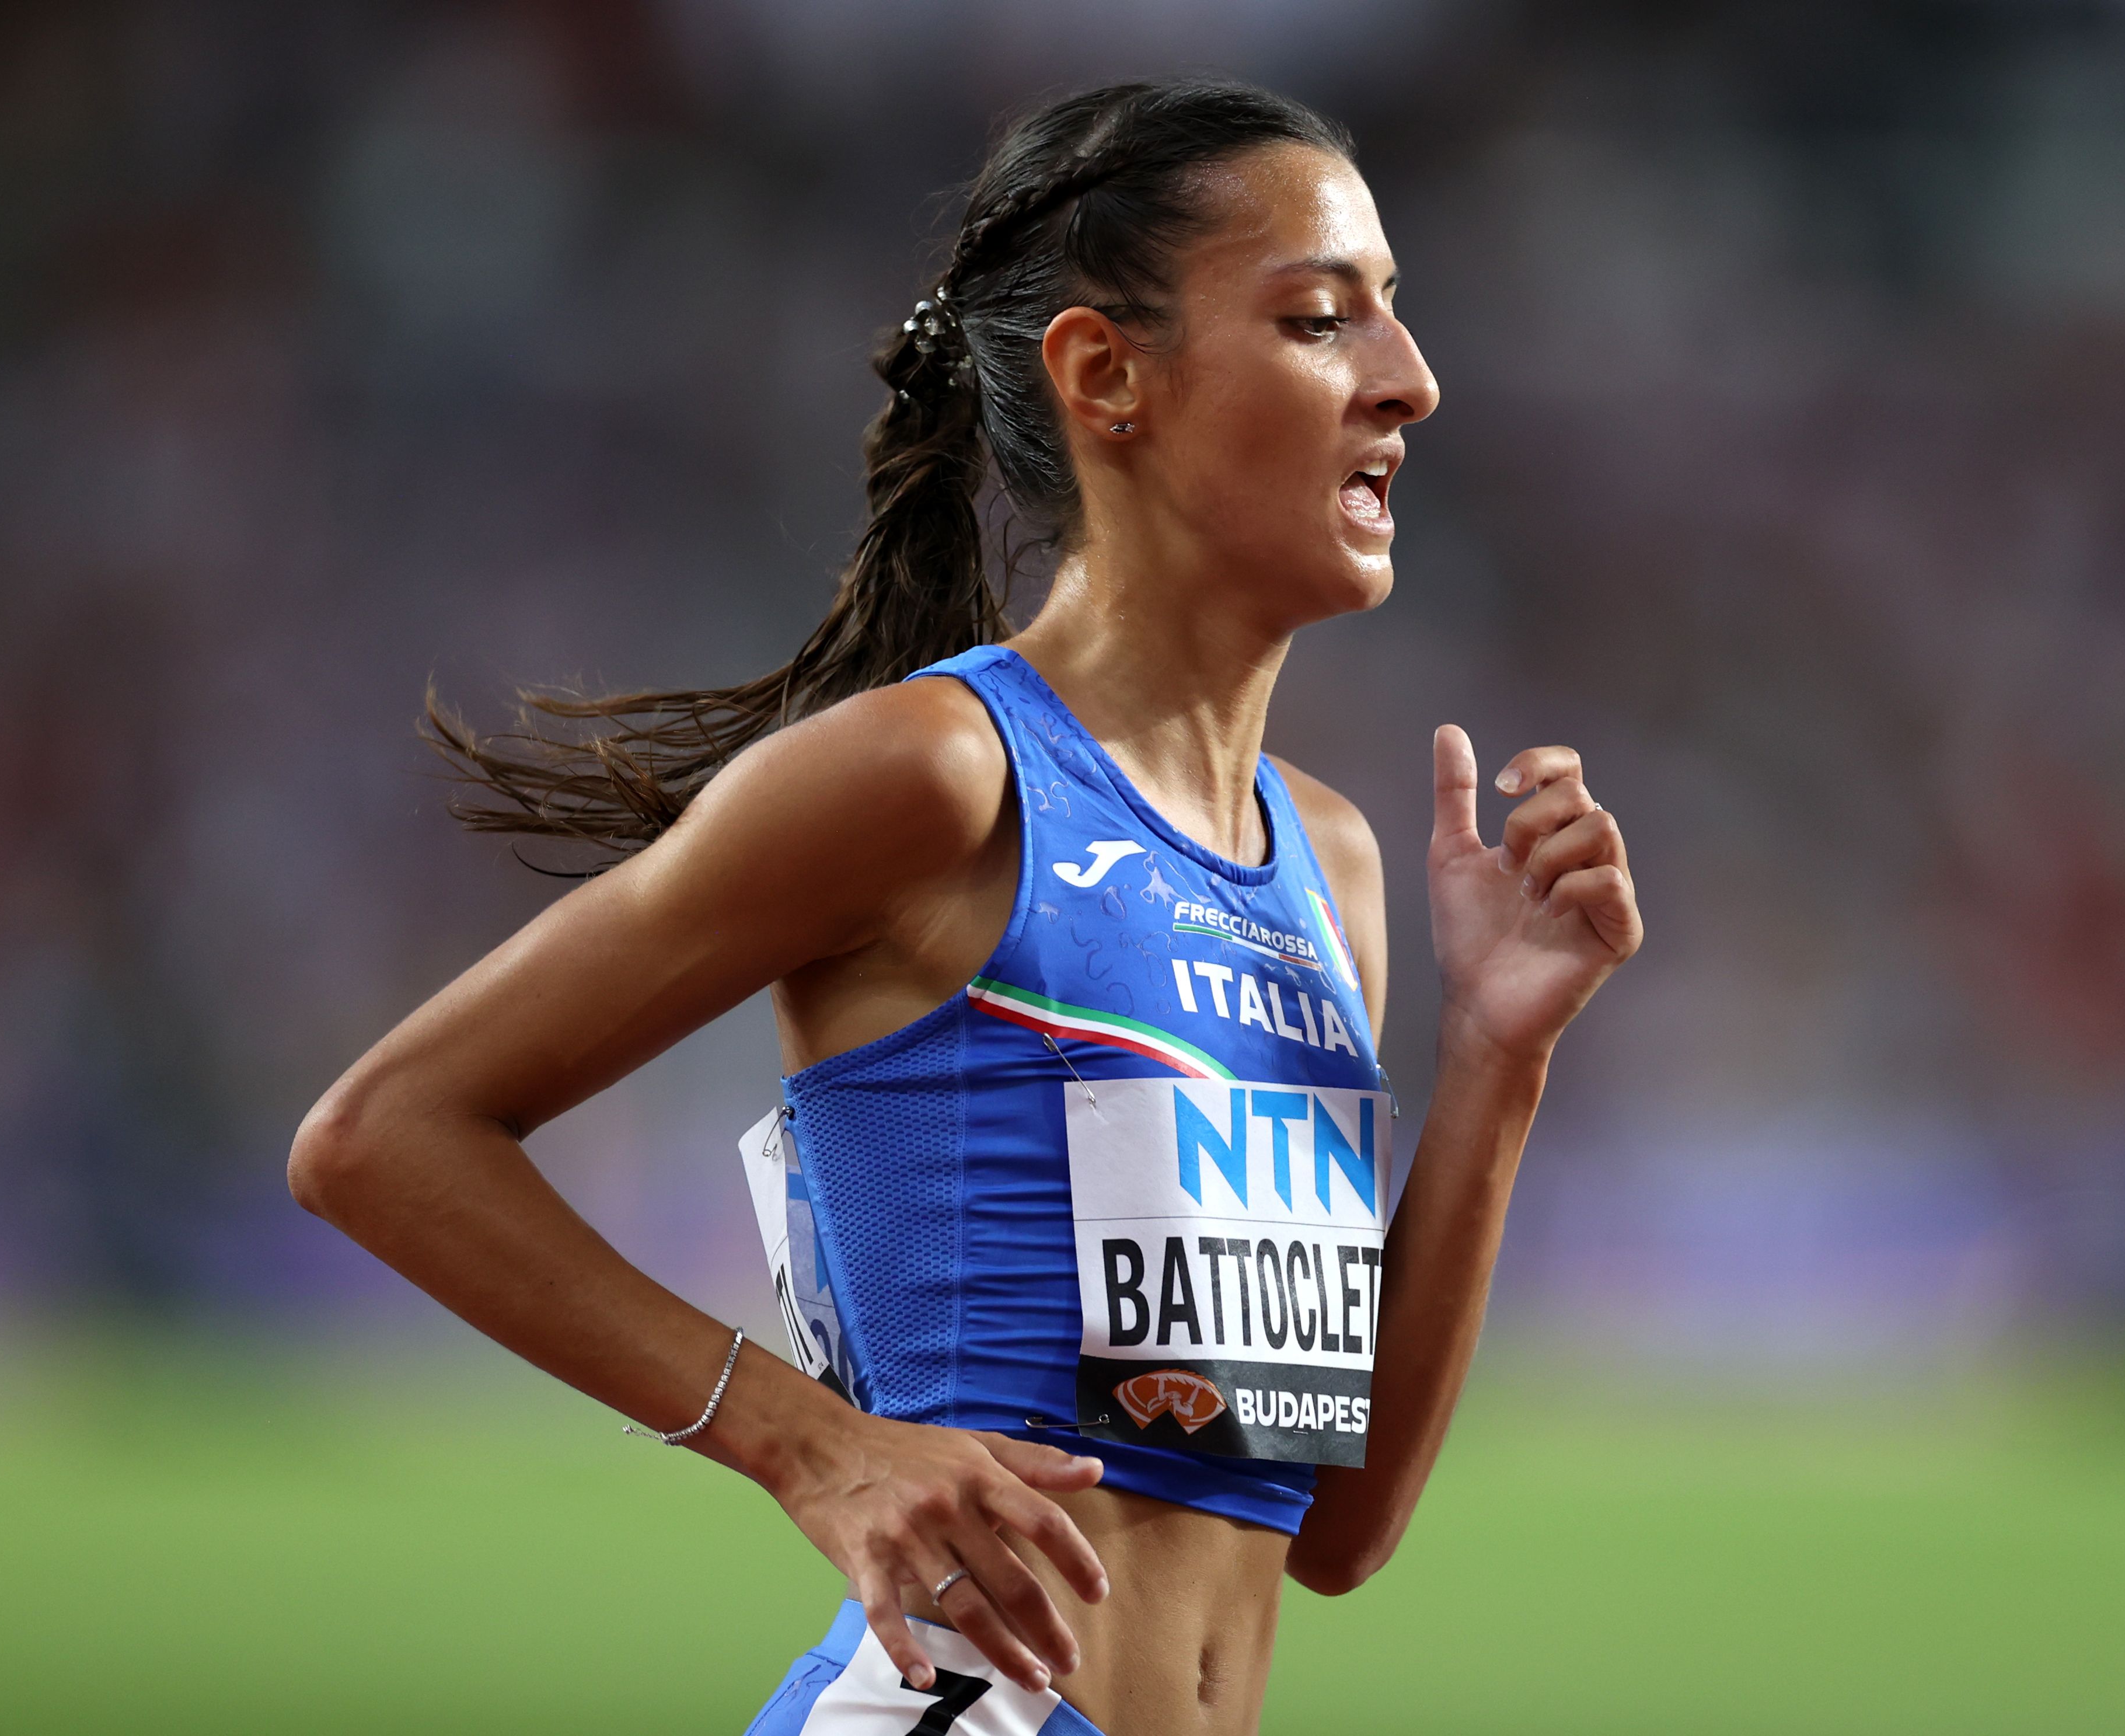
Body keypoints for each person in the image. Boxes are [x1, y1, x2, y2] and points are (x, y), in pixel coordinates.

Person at [289, 78, 1641, 1736]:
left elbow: (1334, 1534)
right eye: (1317, 319)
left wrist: (1502, 1055)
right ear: (1104, 377)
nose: (1409, 382)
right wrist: (817, 1450)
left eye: (1394, 319)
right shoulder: (941, 776)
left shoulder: (1330, 866)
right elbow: (382, 1136)